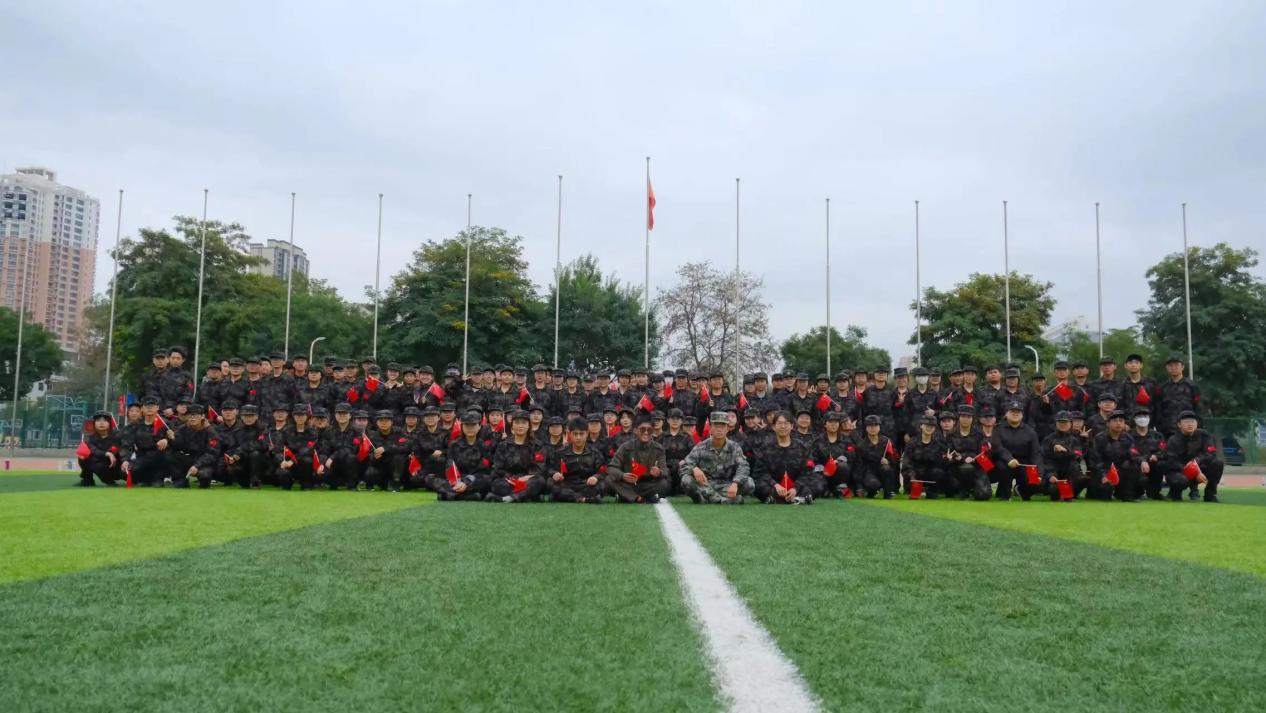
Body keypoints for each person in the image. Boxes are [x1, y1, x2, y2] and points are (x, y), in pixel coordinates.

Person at [680, 411, 753, 504]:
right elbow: (684, 464)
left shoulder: (734, 447)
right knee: (686, 480)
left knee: (749, 483)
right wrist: (694, 469)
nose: (719, 429)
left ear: (728, 428)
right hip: (706, 485)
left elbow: (743, 467)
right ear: (710, 428)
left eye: (722, 426)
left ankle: (707, 498)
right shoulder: (701, 446)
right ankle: (723, 500)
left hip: (727, 485)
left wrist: (735, 483)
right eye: (716, 426)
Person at [752, 411, 820, 504]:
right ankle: (796, 499)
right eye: (779, 423)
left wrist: (795, 488)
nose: (783, 426)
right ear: (773, 427)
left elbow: (808, 471)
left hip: (796, 486)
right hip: (775, 487)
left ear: (792, 426)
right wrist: (775, 485)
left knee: (818, 482)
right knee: (756, 484)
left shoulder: (802, 447)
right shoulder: (765, 448)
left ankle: (784, 498)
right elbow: (760, 473)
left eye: (786, 423)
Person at [605, 413, 670, 503]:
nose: (646, 433)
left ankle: (626, 496)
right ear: (636, 430)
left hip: (648, 484)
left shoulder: (659, 449)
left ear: (653, 432)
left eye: (649, 430)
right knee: (609, 479)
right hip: (629, 484)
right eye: (642, 429)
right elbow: (611, 468)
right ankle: (638, 498)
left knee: (664, 484)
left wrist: (659, 472)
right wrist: (623, 476)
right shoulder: (625, 447)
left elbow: (665, 470)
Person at [487, 410, 548, 503]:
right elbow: (498, 467)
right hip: (509, 480)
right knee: (496, 484)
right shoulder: (503, 445)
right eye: (517, 423)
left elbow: (539, 467)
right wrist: (514, 478)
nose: (520, 426)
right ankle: (525, 496)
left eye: (524, 423)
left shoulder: (537, 445)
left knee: (539, 481)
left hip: (528, 479)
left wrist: (524, 478)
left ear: (529, 425)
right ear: (512, 426)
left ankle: (509, 498)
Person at [1164, 410, 1223, 502]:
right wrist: (1193, 470)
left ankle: (1210, 494)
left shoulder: (1204, 436)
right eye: (1186, 422)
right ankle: (1174, 493)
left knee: (1217, 463)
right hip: (1181, 471)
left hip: (1200, 469)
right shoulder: (1173, 440)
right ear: (1179, 425)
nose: (1190, 424)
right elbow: (1172, 462)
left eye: (1192, 421)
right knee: (1179, 480)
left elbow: (1209, 453)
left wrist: (1195, 464)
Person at [435, 411, 492, 501]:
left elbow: (483, 471)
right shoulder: (454, 445)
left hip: (474, 480)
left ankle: (449, 494)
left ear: (479, 427)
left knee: (489, 480)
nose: (470, 428)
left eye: (473, 425)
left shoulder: (484, 446)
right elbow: (450, 466)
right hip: (457, 479)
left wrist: (466, 483)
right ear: (462, 427)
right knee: (430, 478)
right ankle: (466, 496)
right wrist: (458, 481)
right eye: (467, 425)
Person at [1087, 411, 1143, 501]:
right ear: (1108, 424)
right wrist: (1103, 475)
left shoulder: (1128, 438)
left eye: (1121, 421)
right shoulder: (1099, 438)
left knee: (1134, 466)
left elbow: (1133, 454)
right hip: (1104, 471)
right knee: (1104, 495)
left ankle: (1126, 494)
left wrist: (1143, 461)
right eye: (1115, 421)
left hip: (1120, 471)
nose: (1118, 423)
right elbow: (1095, 460)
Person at [547, 419, 606, 504]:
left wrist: (596, 477)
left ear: (587, 434)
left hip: (586, 484)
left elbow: (602, 471)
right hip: (566, 484)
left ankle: (566, 497)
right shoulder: (560, 452)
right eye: (575, 434)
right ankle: (583, 499)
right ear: (570, 434)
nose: (578, 437)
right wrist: (555, 473)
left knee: (604, 483)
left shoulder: (595, 453)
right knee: (550, 482)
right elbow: (550, 469)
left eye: (581, 434)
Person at [995, 401, 1043, 501]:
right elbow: (998, 448)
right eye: (1012, 412)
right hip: (1006, 462)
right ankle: (1004, 494)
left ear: (1022, 415)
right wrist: (1009, 459)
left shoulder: (1030, 431)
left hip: (1024, 464)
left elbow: (1036, 454)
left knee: (1038, 483)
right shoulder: (998, 430)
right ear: (1006, 414)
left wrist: (1038, 473)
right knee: (1002, 467)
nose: (1015, 414)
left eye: (1018, 412)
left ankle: (1021, 490)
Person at [168, 404, 221, 488]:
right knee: (170, 456)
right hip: (189, 458)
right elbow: (177, 447)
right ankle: (180, 481)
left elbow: (212, 453)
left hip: (204, 461)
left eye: (196, 415)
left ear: (202, 416)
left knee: (204, 475)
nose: (192, 418)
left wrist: (196, 465)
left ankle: (205, 481)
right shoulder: (182, 429)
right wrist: (172, 439)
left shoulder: (210, 431)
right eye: (190, 415)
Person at [900, 415, 949, 498]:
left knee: (938, 472)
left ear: (934, 429)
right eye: (926, 425)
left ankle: (931, 491)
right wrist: (913, 478)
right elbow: (906, 463)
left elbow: (940, 464)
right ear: (921, 426)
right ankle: (918, 490)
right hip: (914, 476)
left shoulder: (939, 443)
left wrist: (946, 459)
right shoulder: (912, 442)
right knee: (914, 491)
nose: (929, 428)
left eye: (931, 426)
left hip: (930, 477)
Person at [1041, 412, 1085, 499]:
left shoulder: (1075, 440)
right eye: (1060, 422)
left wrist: (1065, 450)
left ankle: (1071, 491)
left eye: (1065, 422)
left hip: (1070, 473)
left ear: (1070, 423)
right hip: (1054, 472)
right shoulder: (1048, 439)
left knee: (1076, 467)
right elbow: (1044, 459)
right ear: (1056, 423)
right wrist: (1050, 475)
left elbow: (1078, 455)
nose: (1062, 424)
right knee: (1054, 491)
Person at [363, 409, 409, 492]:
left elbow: (406, 447)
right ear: (377, 423)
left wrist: (386, 449)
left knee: (399, 456)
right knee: (369, 473)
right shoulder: (373, 436)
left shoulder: (399, 432)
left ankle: (396, 482)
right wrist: (374, 456)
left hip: (397, 468)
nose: (384, 423)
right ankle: (381, 484)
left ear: (392, 422)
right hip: (381, 466)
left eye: (387, 420)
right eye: (381, 421)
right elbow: (369, 454)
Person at [853, 414, 897, 498]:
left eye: (876, 425)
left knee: (887, 468)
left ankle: (888, 492)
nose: (873, 428)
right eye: (870, 426)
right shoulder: (861, 445)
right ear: (866, 428)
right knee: (873, 485)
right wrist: (859, 486)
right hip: (868, 472)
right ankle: (871, 491)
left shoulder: (886, 441)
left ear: (879, 427)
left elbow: (893, 458)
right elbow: (859, 466)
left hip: (883, 470)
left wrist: (888, 461)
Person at [76, 411, 124, 486]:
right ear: (94, 423)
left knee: (134, 473)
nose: (101, 423)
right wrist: (107, 453)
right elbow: (93, 450)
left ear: (109, 423)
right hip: (101, 466)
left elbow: (125, 450)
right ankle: (88, 480)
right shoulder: (90, 438)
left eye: (105, 420)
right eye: (98, 421)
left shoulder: (118, 435)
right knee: (83, 456)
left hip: (119, 466)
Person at [813, 411, 854, 496]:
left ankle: (839, 488)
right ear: (825, 424)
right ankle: (827, 489)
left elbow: (851, 457)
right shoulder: (817, 440)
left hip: (839, 473)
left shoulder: (846, 440)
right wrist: (823, 468)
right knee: (819, 490)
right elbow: (813, 458)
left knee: (843, 466)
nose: (834, 425)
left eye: (836, 422)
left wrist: (838, 461)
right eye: (831, 422)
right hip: (823, 473)